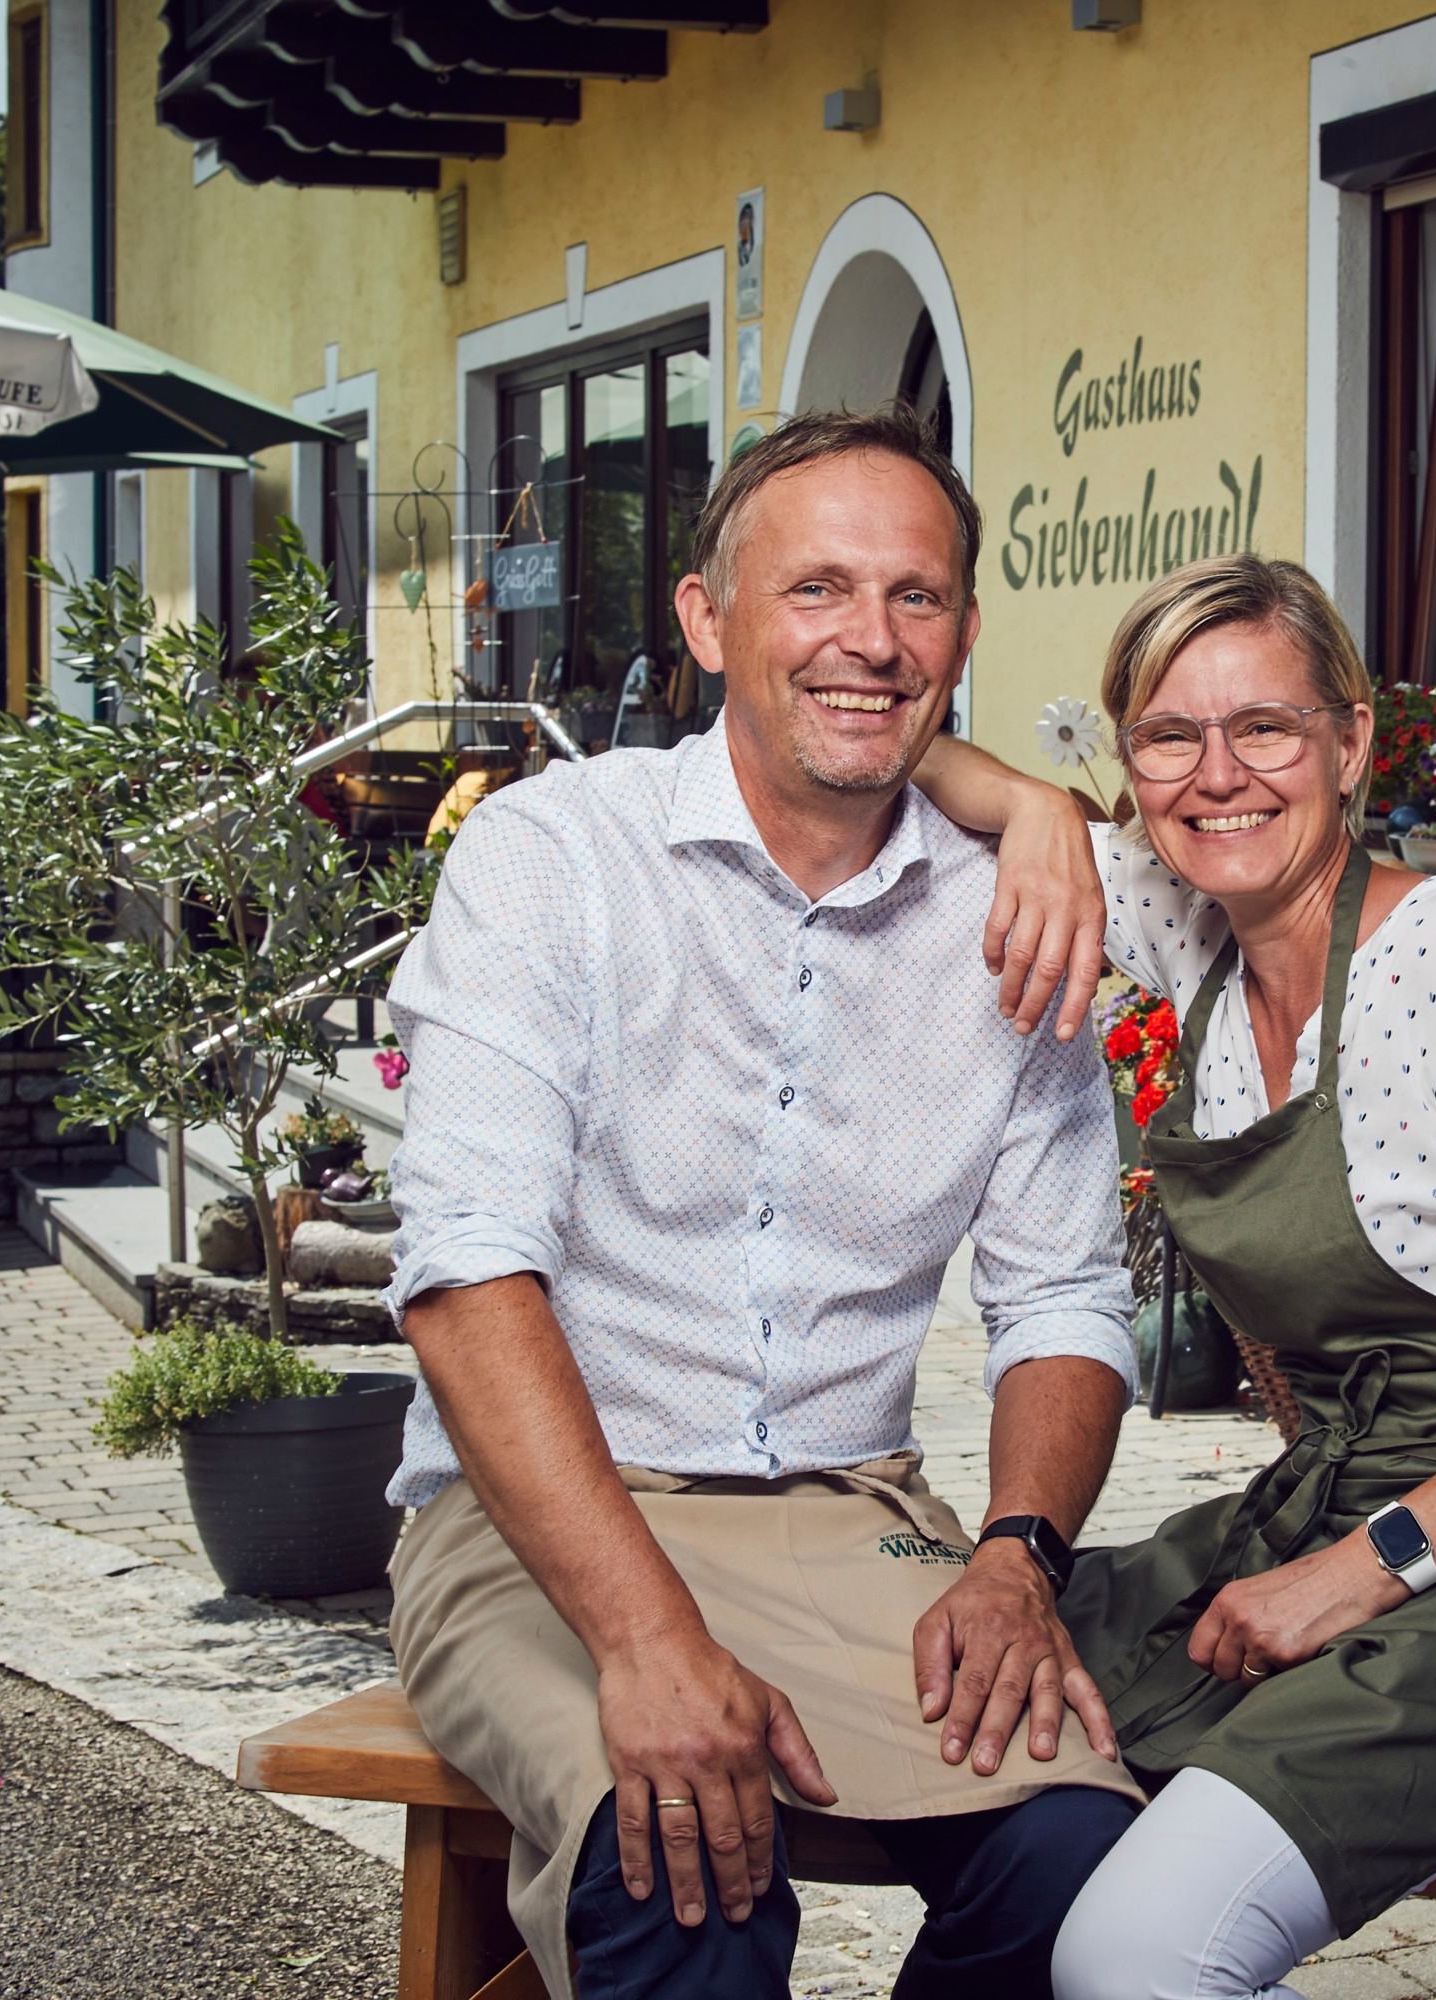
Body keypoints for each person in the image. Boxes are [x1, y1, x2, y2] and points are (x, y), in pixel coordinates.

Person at [382, 405, 1146, 2000]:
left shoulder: (1019, 914)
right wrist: (650, 1640)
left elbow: (1066, 1299)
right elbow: (466, 1281)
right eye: (817, 591)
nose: (870, 640)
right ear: (708, 619)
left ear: (965, 632)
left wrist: (1015, 1552)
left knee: (1093, 1880)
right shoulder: (554, 858)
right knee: (683, 1870)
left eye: (915, 598)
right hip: (538, 1523)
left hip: (844, 1511)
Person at [911, 556, 1436, 2000]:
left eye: (1265, 729)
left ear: (1352, 744)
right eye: (1170, 737)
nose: (1219, 776)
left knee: (1138, 1948)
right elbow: (922, 754)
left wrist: (1366, 1569)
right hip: (1324, 1518)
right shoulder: (1193, 930)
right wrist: (1042, 802)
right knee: (966, 1721)